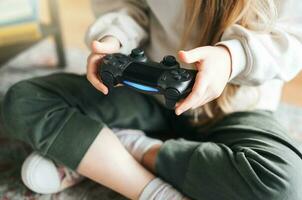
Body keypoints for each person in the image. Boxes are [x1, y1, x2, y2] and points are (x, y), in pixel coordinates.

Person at [1, 0, 302, 199]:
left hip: (235, 106)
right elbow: (132, 6)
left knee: (286, 186)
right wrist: (113, 39)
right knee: (24, 99)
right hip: (150, 93)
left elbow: (293, 38)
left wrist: (232, 58)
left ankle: (123, 146)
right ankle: (151, 189)